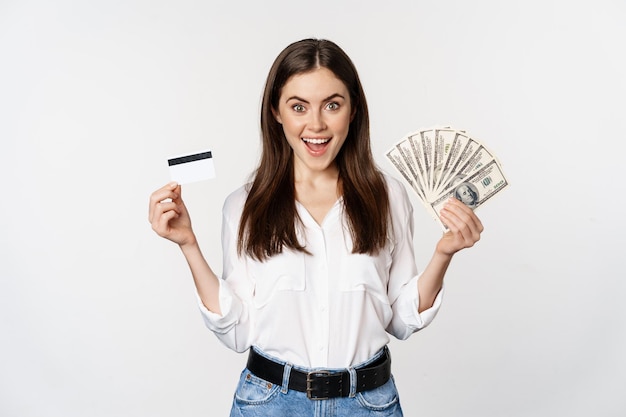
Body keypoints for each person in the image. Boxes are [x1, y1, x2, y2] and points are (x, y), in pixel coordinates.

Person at [149, 38, 483, 417]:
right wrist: (188, 244)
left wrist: (443, 253)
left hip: (368, 403)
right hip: (270, 404)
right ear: (276, 112)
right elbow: (238, 332)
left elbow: (402, 320)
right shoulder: (243, 206)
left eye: (332, 105)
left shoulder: (388, 196)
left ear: (353, 110)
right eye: (298, 107)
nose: (317, 124)